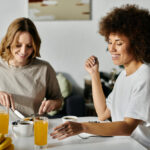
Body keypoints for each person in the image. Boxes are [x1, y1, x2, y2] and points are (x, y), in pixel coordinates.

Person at [50, 4, 150, 149]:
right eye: (110, 42)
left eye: (119, 43)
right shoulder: (123, 76)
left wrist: (83, 127)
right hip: (123, 144)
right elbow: (103, 113)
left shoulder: (145, 77)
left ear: (137, 44)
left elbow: (128, 127)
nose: (112, 48)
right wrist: (94, 74)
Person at [0, 17, 63, 117]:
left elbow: (58, 100)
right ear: (9, 42)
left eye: (29, 46)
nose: (23, 51)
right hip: (3, 129)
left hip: (34, 128)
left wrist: (53, 104)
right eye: (18, 45)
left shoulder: (44, 68)